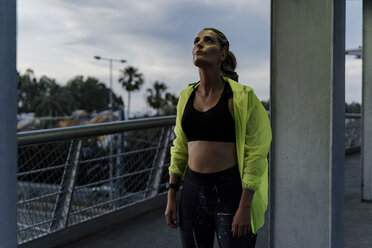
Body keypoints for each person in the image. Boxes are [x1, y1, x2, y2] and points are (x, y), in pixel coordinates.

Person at [164, 27, 272, 248]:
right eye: (196, 41)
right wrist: (171, 196)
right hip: (192, 192)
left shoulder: (242, 97)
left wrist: (245, 206)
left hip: (230, 193)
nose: (199, 44)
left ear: (222, 54)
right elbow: (180, 148)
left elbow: (256, 153)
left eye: (208, 40)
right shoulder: (186, 97)